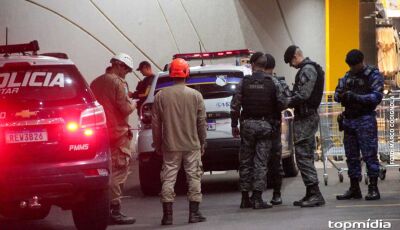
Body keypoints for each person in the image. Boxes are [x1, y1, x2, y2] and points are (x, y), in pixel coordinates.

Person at [152, 58, 207, 225]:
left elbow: (156, 123)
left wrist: (158, 144)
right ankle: (194, 214)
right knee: (194, 177)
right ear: (186, 73)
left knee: (168, 178)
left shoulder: (160, 96)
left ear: (171, 74)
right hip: (192, 144)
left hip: (170, 145)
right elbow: (201, 122)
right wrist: (202, 142)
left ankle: (167, 217)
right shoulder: (196, 96)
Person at [231, 52, 285, 209]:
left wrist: (234, 124)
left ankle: (244, 198)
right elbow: (282, 103)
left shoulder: (244, 82)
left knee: (245, 161)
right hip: (265, 126)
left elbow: (235, 105)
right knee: (260, 162)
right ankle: (257, 198)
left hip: (247, 126)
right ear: (265, 65)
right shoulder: (272, 82)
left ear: (252, 64)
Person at [90, 53, 136, 225]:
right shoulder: (119, 82)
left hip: (100, 134)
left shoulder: (95, 82)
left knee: (103, 172)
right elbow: (124, 109)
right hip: (117, 134)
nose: (127, 73)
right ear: (119, 65)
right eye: (127, 69)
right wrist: (134, 103)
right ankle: (114, 210)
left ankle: (101, 209)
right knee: (118, 171)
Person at [334, 49, 384, 201]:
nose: (353, 69)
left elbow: (376, 96)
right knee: (351, 156)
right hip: (349, 120)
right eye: (350, 66)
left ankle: (373, 188)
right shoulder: (348, 76)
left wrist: (356, 97)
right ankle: (354, 188)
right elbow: (337, 94)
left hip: (365, 119)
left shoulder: (372, 75)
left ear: (361, 62)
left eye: (355, 66)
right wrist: (341, 94)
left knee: (369, 155)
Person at [283, 45, 325, 207]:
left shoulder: (308, 69)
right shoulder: (309, 68)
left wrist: (286, 101)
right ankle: (310, 192)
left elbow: (304, 94)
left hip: (306, 118)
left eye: (290, 62)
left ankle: (315, 194)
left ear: (295, 57)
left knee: (303, 156)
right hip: (305, 116)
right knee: (304, 155)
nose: (291, 66)